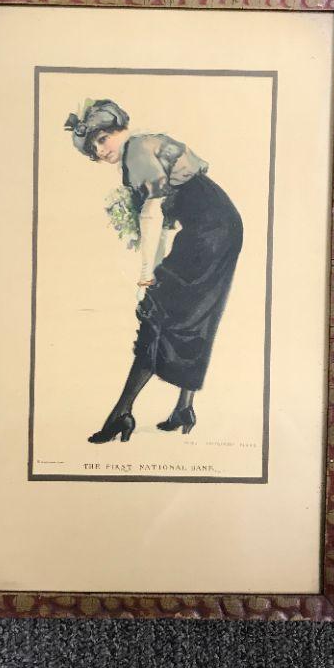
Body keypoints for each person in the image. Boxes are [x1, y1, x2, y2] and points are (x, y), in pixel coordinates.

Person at [64, 99, 243, 443]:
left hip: (210, 232)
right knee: (194, 315)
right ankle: (183, 409)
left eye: (101, 139)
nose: (100, 151)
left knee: (156, 312)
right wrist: (154, 271)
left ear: (118, 128)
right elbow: (164, 225)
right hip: (218, 227)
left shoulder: (136, 151)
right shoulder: (143, 147)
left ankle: (121, 413)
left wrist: (147, 277)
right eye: (92, 149)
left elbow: (151, 216)